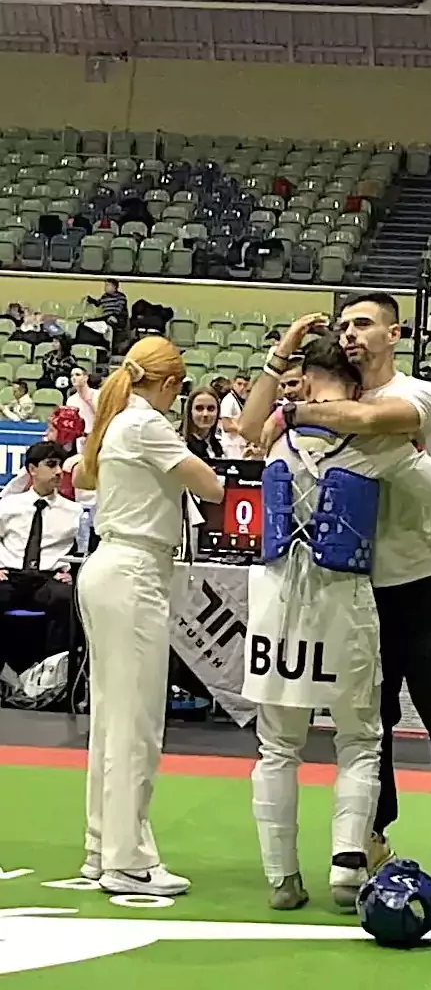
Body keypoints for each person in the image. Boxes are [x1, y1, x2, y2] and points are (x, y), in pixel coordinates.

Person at [240, 296, 431, 908]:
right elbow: (252, 429)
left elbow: (368, 421)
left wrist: (296, 409)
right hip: (350, 591)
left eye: (362, 324)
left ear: (395, 332)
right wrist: (283, 364)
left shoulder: (415, 396)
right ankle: (372, 841)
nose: (351, 334)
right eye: (343, 326)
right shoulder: (328, 402)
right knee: (371, 727)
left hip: (417, 581)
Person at [75, 337, 224, 897]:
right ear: (168, 384)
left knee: (112, 720)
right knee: (136, 724)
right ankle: (129, 860)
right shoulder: (146, 424)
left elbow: (83, 477)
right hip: (134, 571)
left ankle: (102, 847)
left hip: (111, 567)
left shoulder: (117, 423)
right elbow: (211, 486)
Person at [0, 442, 81, 679]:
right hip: (11, 575)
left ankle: (52, 676)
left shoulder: (75, 512)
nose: (59, 471)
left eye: (60, 465)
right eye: (51, 465)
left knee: (68, 600)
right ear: (32, 469)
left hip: (48, 578)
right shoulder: (8, 505)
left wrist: (73, 573)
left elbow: (85, 550)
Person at [181, 387, 223, 461]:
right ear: (190, 412)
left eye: (211, 408)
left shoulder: (220, 445)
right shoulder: (180, 446)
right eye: (199, 408)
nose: (205, 414)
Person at [219, 372, 249, 458]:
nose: (242, 387)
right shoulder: (228, 400)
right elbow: (226, 426)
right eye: (239, 384)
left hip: (240, 444)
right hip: (230, 446)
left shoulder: (243, 400)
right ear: (233, 384)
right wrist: (245, 428)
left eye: (245, 385)